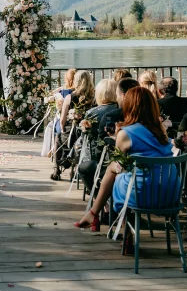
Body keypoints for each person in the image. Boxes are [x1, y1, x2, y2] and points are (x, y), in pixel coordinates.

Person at [75, 87, 177, 235]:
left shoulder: (126, 133)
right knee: (125, 175)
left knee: (116, 172)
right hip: (170, 192)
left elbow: (119, 163)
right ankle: (96, 215)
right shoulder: (161, 130)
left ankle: (118, 228)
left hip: (143, 195)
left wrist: (119, 136)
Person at [77, 78, 120, 194]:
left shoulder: (92, 113)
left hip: (98, 157)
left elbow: (85, 138)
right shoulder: (121, 111)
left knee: (82, 164)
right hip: (119, 155)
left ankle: (97, 196)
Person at [52, 70, 95, 180]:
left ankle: (56, 169)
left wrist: (62, 129)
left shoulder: (70, 97)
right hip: (87, 136)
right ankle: (74, 168)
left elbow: (62, 120)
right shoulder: (94, 98)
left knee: (57, 138)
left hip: (70, 136)